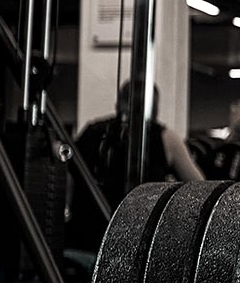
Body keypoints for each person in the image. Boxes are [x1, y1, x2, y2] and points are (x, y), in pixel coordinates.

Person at [71, 81, 204, 246]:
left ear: (118, 103)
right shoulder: (166, 138)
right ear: (155, 108)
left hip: (85, 239)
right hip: (136, 241)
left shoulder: (91, 132)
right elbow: (200, 189)